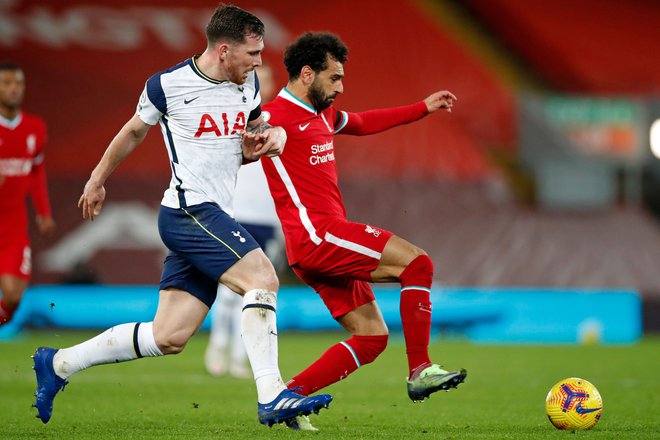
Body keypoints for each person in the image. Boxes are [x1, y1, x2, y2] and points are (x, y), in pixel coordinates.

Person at [31, 6, 331, 429]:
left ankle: (58, 363)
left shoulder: (247, 90)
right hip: (188, 211)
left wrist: (272, 137)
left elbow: (250, 137)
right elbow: (134, 130)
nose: (259, 62)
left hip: (212, 214)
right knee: (262, 278)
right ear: (224, 50)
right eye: (253, 53)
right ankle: (272, 396)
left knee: (168, 336)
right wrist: (97, 180)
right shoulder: (168, 85)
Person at [261, 32, 467, 423]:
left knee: (372, 338)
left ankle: (288, 397)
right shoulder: (273, 118)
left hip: (312, 247)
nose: (341, 86)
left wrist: (421, 108)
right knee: (417, 264)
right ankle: (420, 369)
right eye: (334, 77)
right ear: (307, 74)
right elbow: (234, 144)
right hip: (318, 236)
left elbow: (362, 122)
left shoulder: (321, 112)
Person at [204, 63, 284, 379]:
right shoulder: (235, 118)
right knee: (231, 288)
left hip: (267, 215)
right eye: (256, 81)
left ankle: (240, 355)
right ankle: (217, 345)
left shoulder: (279, 122)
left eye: (265, 81)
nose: (261, 87)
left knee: (257, 291)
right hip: (237, 211)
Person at [0, 62, 56, 326]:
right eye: (7, 83)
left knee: (12, 296)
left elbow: (36, 170)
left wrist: (43, 213)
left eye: (18, 83)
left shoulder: (35, 128)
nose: (14, 89)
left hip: (13, 226)